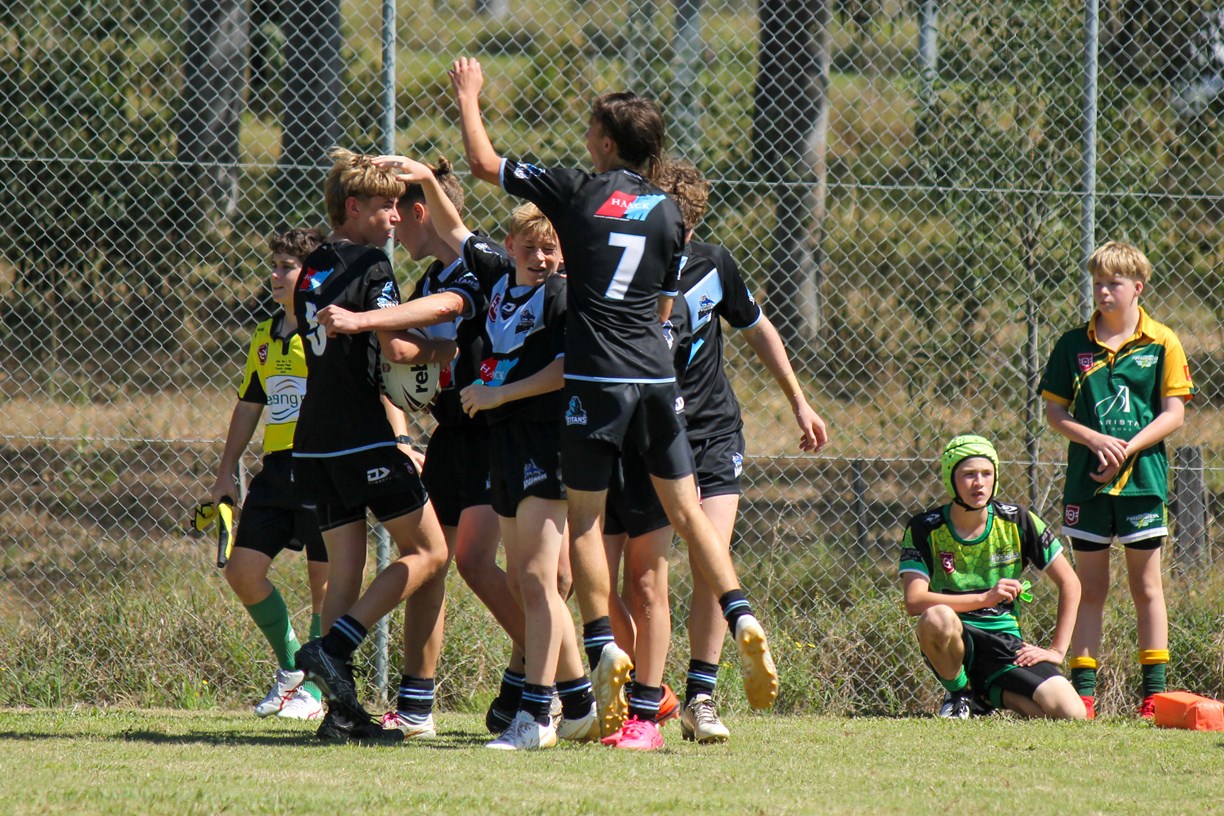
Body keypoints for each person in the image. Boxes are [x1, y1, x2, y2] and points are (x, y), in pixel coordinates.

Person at [449, 57, 779, 733]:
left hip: (595, 380)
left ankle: (600, 643)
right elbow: (663, 310)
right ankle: (741, 611)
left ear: (604, 142)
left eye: (591, 130)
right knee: (686, 514)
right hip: (657, 380)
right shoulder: (668, 217)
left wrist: (469, 96)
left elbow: (482, 162)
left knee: (587, 522)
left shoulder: (576, 191)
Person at [315, 157, 528, 738]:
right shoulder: (426, 279)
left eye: (397, 215)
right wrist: (398, 347)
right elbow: (410, 349)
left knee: (477, 563)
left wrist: (366, 320)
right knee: (430, 566)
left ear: (418, 211)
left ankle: (546, 677)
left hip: (500, 432)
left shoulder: (480, 261)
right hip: (451, 435)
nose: (391, 228)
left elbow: (449, 309)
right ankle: (416, 705)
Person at [655, 160, 828, 742]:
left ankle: (700, 697)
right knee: (644, 572)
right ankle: (639, 694)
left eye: (682, 224)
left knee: (712, 559)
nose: (672, 234)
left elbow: (759, 329)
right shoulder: (622, 270)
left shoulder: (713, 264)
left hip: (714, 433)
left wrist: (799, 402)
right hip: (651, 433)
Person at [290, 148, 455, 742]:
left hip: (313, 443)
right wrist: (447, 350)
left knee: (344, 576)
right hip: (362, 439)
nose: (394, 217)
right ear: (353, 208)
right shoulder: (373, 266)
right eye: (384, 206)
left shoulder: (312, 267)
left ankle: (340, 716)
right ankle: (336, 646)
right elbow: (396, 351)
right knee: (431, 552)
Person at [1039, 241, 1195, 719]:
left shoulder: (1162, 341)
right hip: (1087, 486)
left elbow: (1175, 413)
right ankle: (1084, 696)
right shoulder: (1073, 344)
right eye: (1098, 283)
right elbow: (1054, 412)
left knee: (1146, 587)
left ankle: (1153, 696)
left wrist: (1125, 448)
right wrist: (1092, 439)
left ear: (1137, 288)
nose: (1103, 292)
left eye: (1114, 284)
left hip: (1143, 482)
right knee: (1091, 589)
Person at [208, 226, 327, 721]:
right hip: (277, 472)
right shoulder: (265, 335)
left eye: (288, 266)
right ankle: (291, 669)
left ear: (310, 274)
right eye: (274, 265)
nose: (277, 275)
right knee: (242, 571)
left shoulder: (326, 330)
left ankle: (319, 692)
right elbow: (249, 405)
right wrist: (225, 474)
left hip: (324, 466)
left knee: (327, 585)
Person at [899, 435, 1087, 720]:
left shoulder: (1018, 520)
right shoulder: (925, 527)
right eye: (968, 475)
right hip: (955, 634)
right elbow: (914, 601)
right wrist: (985, 598)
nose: (979, 483)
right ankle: (959, 693)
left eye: (987, 473)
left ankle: (983, 696)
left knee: (1070, 713)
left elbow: (1070, 582)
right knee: (936, 617)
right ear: (951, 479)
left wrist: (1057, 650)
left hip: (1005, 641)